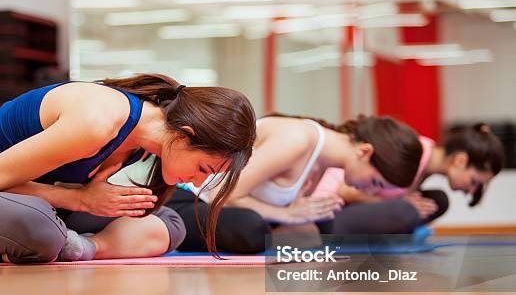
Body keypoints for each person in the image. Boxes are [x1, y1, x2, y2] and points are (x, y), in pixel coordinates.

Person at [0, 74, 256, 262]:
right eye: (203, 167)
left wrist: (84, 201)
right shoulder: (99, 121)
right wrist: (81, 199)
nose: (197, 180)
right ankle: (54, 241)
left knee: (166, 221)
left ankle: (82, 248)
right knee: (38, 224)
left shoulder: (143, 138)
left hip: (43, 206)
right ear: (186, 135)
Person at [167, 113, 423, 253]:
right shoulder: (297, 138)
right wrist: (287, 214)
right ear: (365, 152)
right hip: (190, 201)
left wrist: (295, 217)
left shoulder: (323, 159)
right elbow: (229, 194)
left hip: (228, 210)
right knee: (250, 228)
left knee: (314, 230)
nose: (369, 191)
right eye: (375, 182)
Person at [313, 123, 505, 235]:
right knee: (406, 209)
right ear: (460, 161)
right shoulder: (413, 154)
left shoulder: (425, 159)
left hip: (347, 212)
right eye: (473, 181)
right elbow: (345, 190)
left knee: (438, 200)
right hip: (327, 212)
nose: (470, 191)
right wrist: (396, 202)